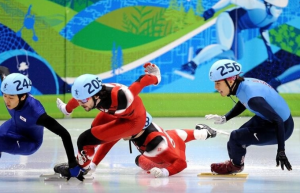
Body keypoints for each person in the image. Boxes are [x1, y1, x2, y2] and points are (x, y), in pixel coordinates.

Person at [54, 62, 161, 175]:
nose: (81, 103)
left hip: (134, 121)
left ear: (96, 95)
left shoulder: (122, 97)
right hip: (119, 113)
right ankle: (84, 161)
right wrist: (67, 109)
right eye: (79, 100)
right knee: (94, 130)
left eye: (84, 100)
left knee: (84, 140)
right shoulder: (92, 95)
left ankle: (79, 170)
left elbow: (141, 82)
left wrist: (155, 76)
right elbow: (78, 98)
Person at [205, 59, 294, 174]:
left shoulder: (254, 100)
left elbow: (278, 121)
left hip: (282, 127)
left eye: (218, 83)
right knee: (235, 139)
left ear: (231, 81)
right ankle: (235, 161)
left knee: (236, 137)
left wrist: (281, 151)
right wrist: (225, 117)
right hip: (269, 119)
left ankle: (236, 166)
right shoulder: (243, 85)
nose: (216, 87)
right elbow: (243, 101)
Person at [80, 112, 219, 178]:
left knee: (142, 161)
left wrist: (166, 172)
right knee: (173, 135)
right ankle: (202, 133)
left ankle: (203, 133)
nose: (119, 131)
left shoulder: (156, 143)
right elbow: (108, 143)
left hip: (169, 154)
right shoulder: (131, 129)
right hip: (170, 138)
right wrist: (93, 165)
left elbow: (182, 163)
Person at [0, 72, 84, 180]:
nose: (7, 100)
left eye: (11, 98)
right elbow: (3, 69)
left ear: (23, 97)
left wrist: (72, 163)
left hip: (29, 141)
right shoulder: (9, 85)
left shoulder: (36, 113)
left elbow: (64, 134)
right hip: (14, 125)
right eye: (4, 95)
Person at [175, 0, 288, 79]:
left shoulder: (273, 18)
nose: (280, 11)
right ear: (268, 5)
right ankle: (191, 65)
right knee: (224, 48)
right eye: (277, 8)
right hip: (228, 19)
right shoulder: (256, 5)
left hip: (237, 29)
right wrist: (213, 10)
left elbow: (263, 31)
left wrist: (269, 50)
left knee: (236, 56)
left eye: (282, 9)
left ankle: (203, 52)